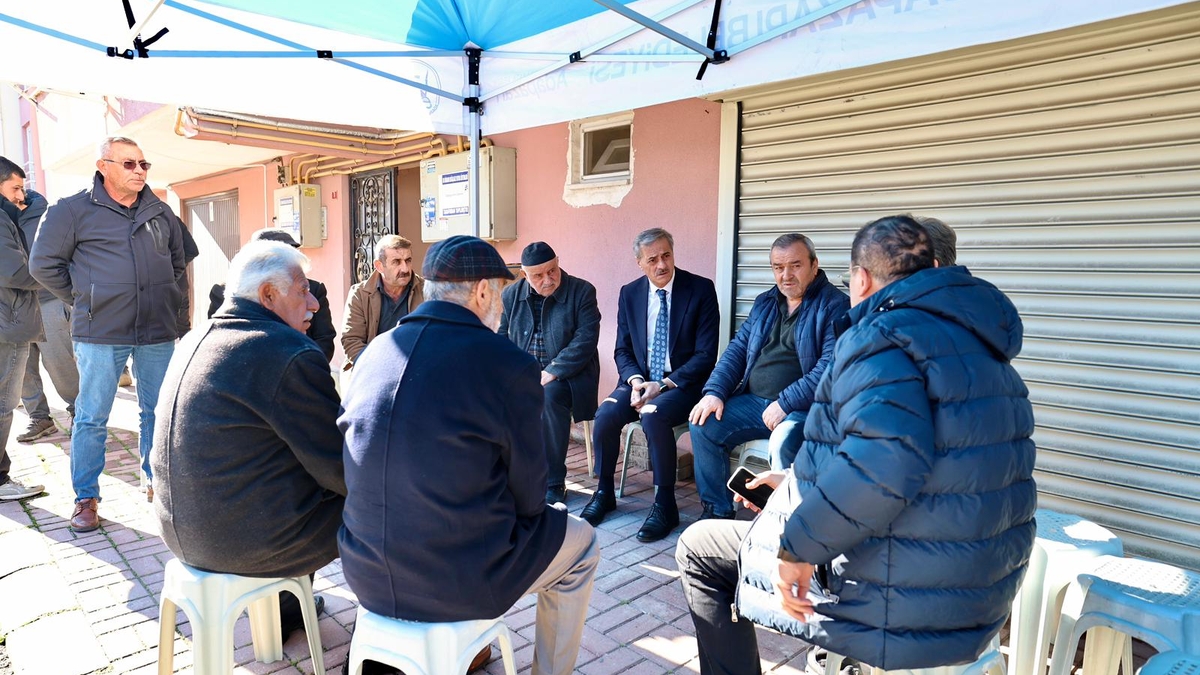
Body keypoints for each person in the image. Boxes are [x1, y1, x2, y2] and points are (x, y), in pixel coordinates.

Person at [675, 215, 1036, 674]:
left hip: (904, 604)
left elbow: (885, 464)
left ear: (861, 279)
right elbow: (924, 463)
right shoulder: (987, 352)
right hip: (980, 597)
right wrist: (789, 482)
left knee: (699, 550)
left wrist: (799, 548)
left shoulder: (879, 338)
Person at [339, 235, 599, 675]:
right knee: (584, 545)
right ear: (482, 290)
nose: (501, 302)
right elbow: (531, 500)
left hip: (363, 570)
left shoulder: (374, 353)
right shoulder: (506, 363)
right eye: (499, 291)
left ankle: (469, 647)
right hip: (456, 580)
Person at [152, 240, 343, 640]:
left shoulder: (195, 338)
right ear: (268, 295)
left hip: (181, 534)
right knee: (385, 500)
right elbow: (341, 469)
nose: (314, 304)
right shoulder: (286, 351)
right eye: (302, 291)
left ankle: (284, 604)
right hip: (246, 542)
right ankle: (398, 635)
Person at [30, 136, 186, 531]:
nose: (139, 171)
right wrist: (86, 299)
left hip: (156, 330)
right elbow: (43, 265)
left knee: (158, 411)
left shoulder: (159, 210)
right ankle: (86, 497)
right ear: (104, 166)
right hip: (101, 330)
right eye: (130, 164)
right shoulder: (71, 210)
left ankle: (157, 481)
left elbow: (178, 263)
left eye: (144, 164)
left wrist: (168, 300)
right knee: (92, 416)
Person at [688, 234, 848, 518]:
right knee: (703, 424)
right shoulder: (765, 303)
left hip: (802, 409)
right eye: (778, 267)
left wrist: (785, 403)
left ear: (814, 265)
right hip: (755, 403)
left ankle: (786, 522)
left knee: (783, 442)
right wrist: (715, 391)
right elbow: (737, 350)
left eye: (795, 265)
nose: (785, 275)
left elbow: (830, 367)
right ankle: (717, 512)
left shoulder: (835, 305)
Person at [582, 228, 719, 543]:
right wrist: (636, 381)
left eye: (666, 256)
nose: (661, 265)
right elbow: (623, 349)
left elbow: (706, 355)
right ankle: (604, 492)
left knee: (654, 415)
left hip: (680, 384)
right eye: (653, 259)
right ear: (639, 263)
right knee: (605, 415)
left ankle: (665, 502)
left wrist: (663, 383)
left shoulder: (699, 290)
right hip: (639, 381)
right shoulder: (630, 293)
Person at [498, 241, 601, 505]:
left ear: (558, 262)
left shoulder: (582, 291)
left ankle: (553, 481)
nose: (548, 279)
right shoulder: (511, 296)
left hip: (570, 376)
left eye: (552, 270)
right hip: (524, 374)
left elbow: (586, 340)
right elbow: (501, 338)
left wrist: (553, 371)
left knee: (548, 395)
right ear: (524, 274)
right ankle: (507, 477)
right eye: (538, 275)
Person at [5, 167, 78, 444]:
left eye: (18, 188)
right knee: (22, 368)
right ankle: (40, 417)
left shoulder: (44, 213)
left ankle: (78, 411)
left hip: (47, 299)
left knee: (60, 363)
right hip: (12, 304)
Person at [207, 228, 335, 362]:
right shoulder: (224, 292)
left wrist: (306, 366)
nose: (313, 304)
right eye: (279, 255)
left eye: (292, 253)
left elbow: (325, 339)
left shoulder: (314, 290)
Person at [0, 158, 46, 501]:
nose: (22, 196)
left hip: (8, 319)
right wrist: (57, 275)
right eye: (16, 187)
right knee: (4, 404)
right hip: (8, 323)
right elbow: (15, 272)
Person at [340, 234, 425, 370]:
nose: (405, 269)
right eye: (396, 262)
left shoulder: (426, 290)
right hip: (371, 369)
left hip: (415, 369)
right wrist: (380, 370)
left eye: (408, 260)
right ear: (379, 266)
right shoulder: (360, 294)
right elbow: (351, 341)